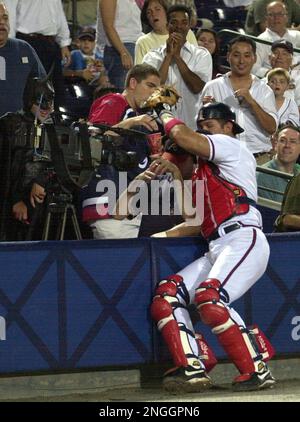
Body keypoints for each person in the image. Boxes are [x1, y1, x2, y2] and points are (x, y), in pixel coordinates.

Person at [150, 101, 276, 393]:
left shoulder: (232, 146)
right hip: (218, 243)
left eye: (209, 126)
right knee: (166, 296)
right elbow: (193, 220)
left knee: (210, 298)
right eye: (202, 128)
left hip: (244, 236)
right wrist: (176, 175)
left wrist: (164, 112)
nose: (205, 133)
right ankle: (192, 364)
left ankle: (255, 368)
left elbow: (182, 137)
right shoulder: (202, 172)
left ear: (228, 126)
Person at [81, 63, 161, 239]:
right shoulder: (114, 101)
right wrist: (130, 123)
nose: (154, 93)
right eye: (150, 86)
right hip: (107, 201)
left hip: (129, 205)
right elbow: (92, 140)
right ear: (133, 83)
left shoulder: (140, 116)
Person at [200, 35, 278, 165]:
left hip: (259, 159)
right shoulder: (213, 87)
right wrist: (209, 112)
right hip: (222, 158)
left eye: (247, 55)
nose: (242, 61)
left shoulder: (264, 90)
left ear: (254, 58)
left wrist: (252, 103)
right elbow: (202, 129)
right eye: (236, 55)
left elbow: (271, 128)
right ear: (228, 56)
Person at [142, 4, 212, 130]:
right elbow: (151, 90)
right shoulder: (152, 57)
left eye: (184, 22)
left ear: (189, 26)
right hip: (160, 125)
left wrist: (178, 58)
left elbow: (197, 87)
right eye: (174, 22)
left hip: (192, 126)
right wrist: (168, 57)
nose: (179, 26)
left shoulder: (201, 54)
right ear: (167, 25)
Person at [8, 0, 72, 109]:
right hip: (28, 41)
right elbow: (10, 12)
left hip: (51, 42)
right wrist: (10, 45)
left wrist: (64, 42)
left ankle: (54, 122)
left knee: (56, 90)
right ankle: (29, 124)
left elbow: (58, 11)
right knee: (31, 90)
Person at [96, 0, 143, 91]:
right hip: (120, 48)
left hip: (135, 45)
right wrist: (123, 52)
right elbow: (108, 26)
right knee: (124, 93)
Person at [135, 0, 197, 65]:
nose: (153, 14)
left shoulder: (187, 33)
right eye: (149, 12)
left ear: (166, 12)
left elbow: (196, 61)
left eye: (157, 9)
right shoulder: (142, 42)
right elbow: (140, 73)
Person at [252, 1, 300, 78]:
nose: (276, 18)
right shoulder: (260, 41)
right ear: (266, 18)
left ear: (286, 17)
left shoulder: (297, 36)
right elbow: (254, 68)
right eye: (271, 15)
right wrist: (276, 75)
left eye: (280, 14)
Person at [257, 124, 300, 202]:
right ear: (275, 144)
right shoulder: (262, 176)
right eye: (283, 140)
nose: (287, 145)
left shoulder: (298, 172)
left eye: (293, 141)